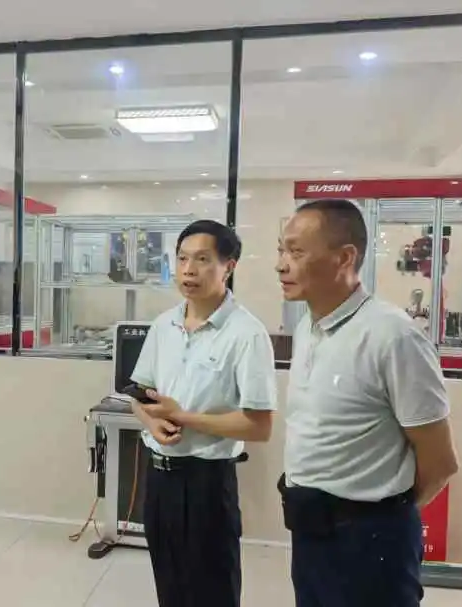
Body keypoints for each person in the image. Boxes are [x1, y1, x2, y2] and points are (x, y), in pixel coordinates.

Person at [276, 198, 460, 607]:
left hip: (370, 542)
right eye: (281, 250)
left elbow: (440, 462)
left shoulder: (392, 336)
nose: (281, 264)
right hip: (310, 532)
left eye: (296, 251)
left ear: (345, 257)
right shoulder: (308, 327)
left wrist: (379, 519)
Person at [129, 219, 278, 607]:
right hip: (159, 480)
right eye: (182, 259)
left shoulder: (246, 334)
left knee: (212, 593)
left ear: (229, 266)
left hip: (207, 484)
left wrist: (183, 417)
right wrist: (152, 421)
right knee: (170, 588)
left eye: (202, 259)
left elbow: (259, 426)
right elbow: (139, 395)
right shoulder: (163, 325)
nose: (189, 270)